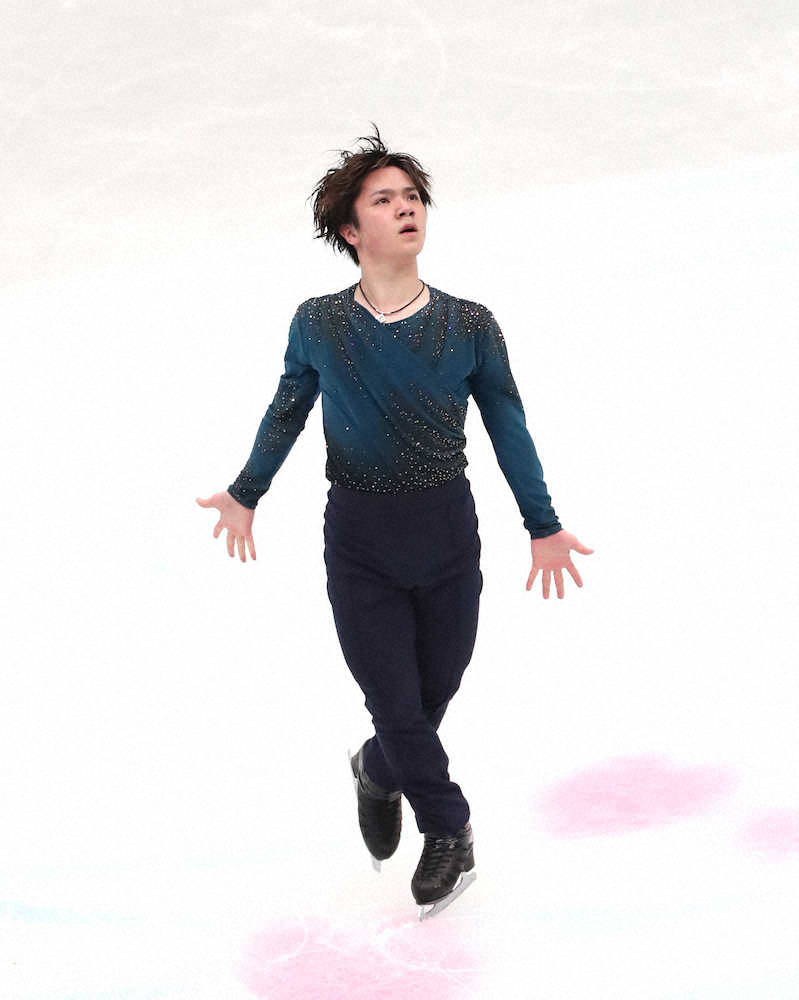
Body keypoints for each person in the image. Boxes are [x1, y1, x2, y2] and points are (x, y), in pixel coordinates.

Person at [196, 123, 594, 920]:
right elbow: (287, 409)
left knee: (430, 695)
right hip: (360, 543)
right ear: (350, 230)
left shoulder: (470, 324)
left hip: (446, 534)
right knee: (394, 702)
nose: (406, 207)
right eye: (384, 200)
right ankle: (449, 830)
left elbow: (507, 426)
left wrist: (541, 523)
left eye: (412, 196)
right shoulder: (319, 322)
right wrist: (246, 490)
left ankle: (377, 771)